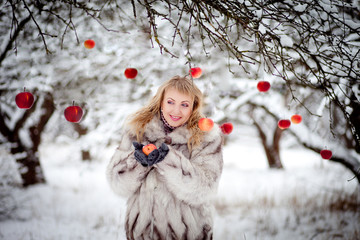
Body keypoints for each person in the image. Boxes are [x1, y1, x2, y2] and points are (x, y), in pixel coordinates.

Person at [106, 75, 223, 240]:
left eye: (184, 105)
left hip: (189, 234)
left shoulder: (205, 137)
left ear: (193, 107)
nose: (176, 110)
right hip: (142, 233)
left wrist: (167, 159)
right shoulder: (138, 130)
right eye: (170, 102)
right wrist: (138, 161)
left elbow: (204, 188)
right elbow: (117, 183)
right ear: (160, 101)